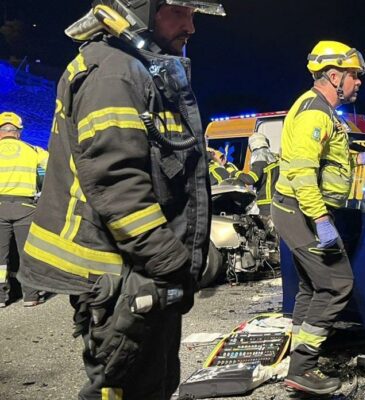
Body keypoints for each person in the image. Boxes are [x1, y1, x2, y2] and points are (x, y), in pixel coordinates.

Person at [18, 1, 223, 399]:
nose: (191, 27)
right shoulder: (113, 72)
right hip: (122, 272)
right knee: (123, 387)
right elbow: (117, 182)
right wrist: (171, 259)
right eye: (181, 13)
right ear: (141, 9)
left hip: (142, 267)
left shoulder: (138, 69)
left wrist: (193, 248)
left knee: (155, 381)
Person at [272, 40, 365, 395]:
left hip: (298, 210)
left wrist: (362, 160)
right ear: (334, 76)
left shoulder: (320, 109)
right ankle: (303, 369)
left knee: (312, 287)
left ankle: (300, 361)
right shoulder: (316, 113)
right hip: (302, 212)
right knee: (336, 283)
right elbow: (303, 172)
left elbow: (326, 162)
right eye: (353, 76)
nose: (358, 82)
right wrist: (320, 220)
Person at [0, 111, 47, 307]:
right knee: (27, 253)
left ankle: (1, 298)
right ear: (18, 132)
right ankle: (31, 296)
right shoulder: (35, 151)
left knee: (0, 258)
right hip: (26, 207)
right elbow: (49, 174)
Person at [234, 133, 279, 215]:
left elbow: (250, 179)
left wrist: (236, 173)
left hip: (266, 203)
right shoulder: (275, 158)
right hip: (278, 200)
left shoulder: (260, 160)